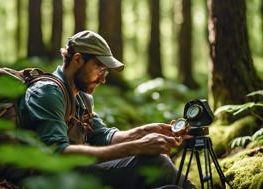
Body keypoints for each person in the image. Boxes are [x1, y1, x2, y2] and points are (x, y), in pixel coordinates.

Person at [18, 30, 196, 189]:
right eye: (99, 67)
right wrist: (137, 147)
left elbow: (102, 136)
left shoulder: (81, 97)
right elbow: (58, 152)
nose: (103, 79)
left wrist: (145, 131)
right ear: (78, 59)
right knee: (157, 163)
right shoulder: (47, 92)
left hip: (76, 173)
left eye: (106, 71)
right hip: (52, 179)